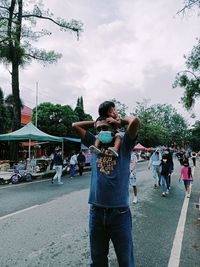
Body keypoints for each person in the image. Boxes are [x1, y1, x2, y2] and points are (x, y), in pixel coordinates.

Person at [72, 103, 140, 267]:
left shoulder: (124, 144)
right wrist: (97, 122)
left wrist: (119, 121)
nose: (103, 131)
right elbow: (75, 125)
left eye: (107, 127)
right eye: (100, 129)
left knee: (125, 261)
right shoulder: (94, 143)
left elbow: (136, 121)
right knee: (97, 261)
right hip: (96, 211)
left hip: (119, 213)